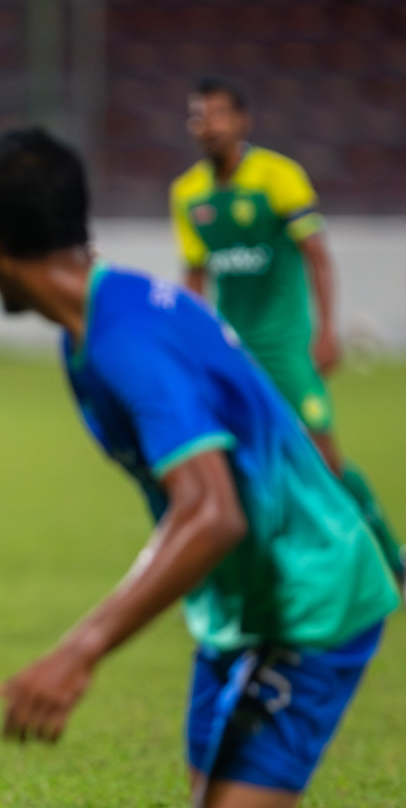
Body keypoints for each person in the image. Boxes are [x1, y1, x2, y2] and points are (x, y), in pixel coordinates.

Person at [0, 127, 405, 808]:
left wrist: (79, 649)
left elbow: (211, 512)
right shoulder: (109, 314)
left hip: (305, 600)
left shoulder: (122, 341)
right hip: (245, 607)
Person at [172, 76, 403, 586]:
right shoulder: (187, 194)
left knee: (322, 458)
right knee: (233, 466)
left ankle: (392, 557)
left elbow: (316, 256)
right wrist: (190, 343)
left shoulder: (278, 177)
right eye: (197, 116)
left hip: (285, 347)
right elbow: (195, 275)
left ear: (241, 122)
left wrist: (324, 332)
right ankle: (275, 576)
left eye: (215, 114)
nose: (206, 125)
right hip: (231, 352)